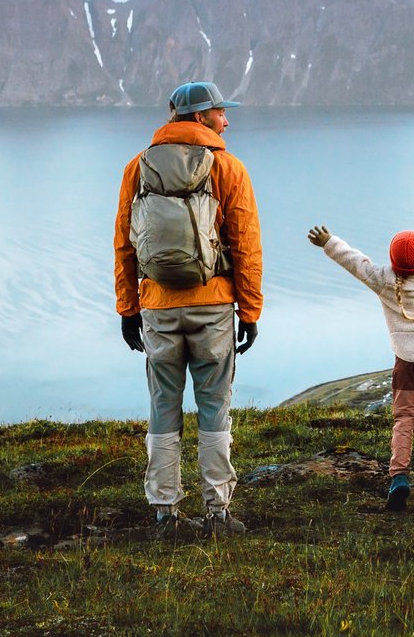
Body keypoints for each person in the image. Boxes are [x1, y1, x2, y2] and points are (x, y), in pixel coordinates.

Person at [115, 80, 263, 537]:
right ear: (199, 118)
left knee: (164, 409)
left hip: (158, 306)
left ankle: (165, 514)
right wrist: (250, 311)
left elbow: (125, 243)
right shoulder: (228, 168)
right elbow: (245, 244)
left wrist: (128, 308)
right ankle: (217, 512)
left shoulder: (136, 167)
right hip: (214, 306)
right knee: (214, 407)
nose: (226, 120)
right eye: (220, 112)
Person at [306, 182, 414, 515]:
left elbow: (356, 262)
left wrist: (329, 242)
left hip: (405, 361)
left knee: (403, 418)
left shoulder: (385, 280)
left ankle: (398, 478)